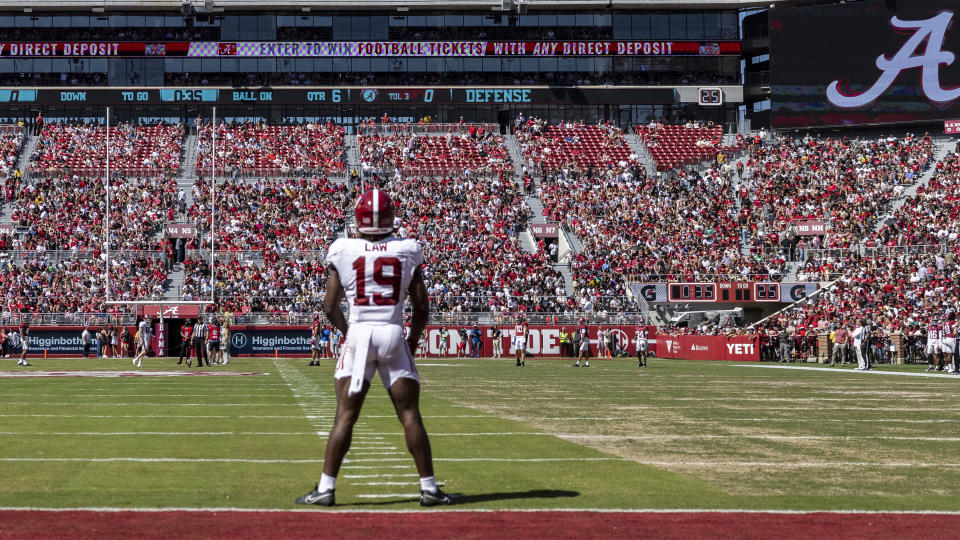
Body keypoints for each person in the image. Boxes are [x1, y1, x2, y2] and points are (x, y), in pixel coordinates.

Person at [295, 188, 451, 508]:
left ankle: (326, 488)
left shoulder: (343, 248)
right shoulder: (407, 248)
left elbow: (329, 306)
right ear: (391, 216)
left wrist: (349, 331)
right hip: (393, 331)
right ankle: (430, 488)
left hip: (360, 333)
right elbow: (422, 307)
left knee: (345, 416)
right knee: (409, 414)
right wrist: (412, 341)